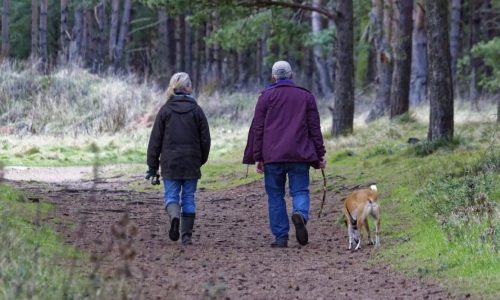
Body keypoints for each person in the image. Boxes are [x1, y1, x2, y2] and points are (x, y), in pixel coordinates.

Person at [243, 61, 326, 248]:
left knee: (275, 195)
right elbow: (314, 128)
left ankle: (281, 237)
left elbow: (258, 128)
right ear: (291, 75)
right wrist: (319, 154)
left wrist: (257, 157)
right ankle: (300, 215)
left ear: (274, 76)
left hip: (272, 156)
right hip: (299, 154)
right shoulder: (306, 96)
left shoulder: (265, 97)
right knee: (300, 191)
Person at [146, 72, 211, 245]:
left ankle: (174, 217)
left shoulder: (165, 110)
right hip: (191, 162)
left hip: (170, 163)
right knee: (189, 197)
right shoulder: (197, 110)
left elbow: (155, 141)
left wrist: (152, 167)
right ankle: (186, 235)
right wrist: (200, 160)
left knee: (171, 197)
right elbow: (206, 139)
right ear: (188, 87)